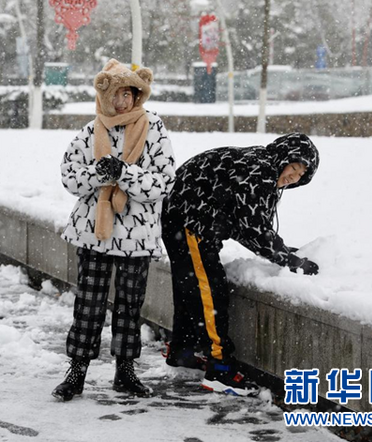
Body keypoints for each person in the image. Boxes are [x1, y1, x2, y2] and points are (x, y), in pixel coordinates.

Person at [53, 59, 176, 401]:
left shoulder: (154, 129)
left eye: (130, 94)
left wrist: (124, 173)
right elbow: (69, 176)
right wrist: (98, 173)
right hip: (94, 233)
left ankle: (125, 371)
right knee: (88, 305)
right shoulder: (92, 132)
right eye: (118, 94)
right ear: (105, 95)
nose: (123, 102)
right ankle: (77, 371)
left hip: (136, 237)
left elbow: (164, 182)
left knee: (129, 307)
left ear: (139, 94)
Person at [161, 133, 320, 397]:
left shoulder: (261, 167)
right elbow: (253, 229)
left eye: (302, 175)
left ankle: (183, 352)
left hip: (187, 218)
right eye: (294, 167)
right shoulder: (259, 171)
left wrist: (280, 251)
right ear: (284, 158)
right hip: (190, 221)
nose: (295, 176)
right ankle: (220, 368)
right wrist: (291, 261)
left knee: (192, 290)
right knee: (211, 293)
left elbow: (248, 223)